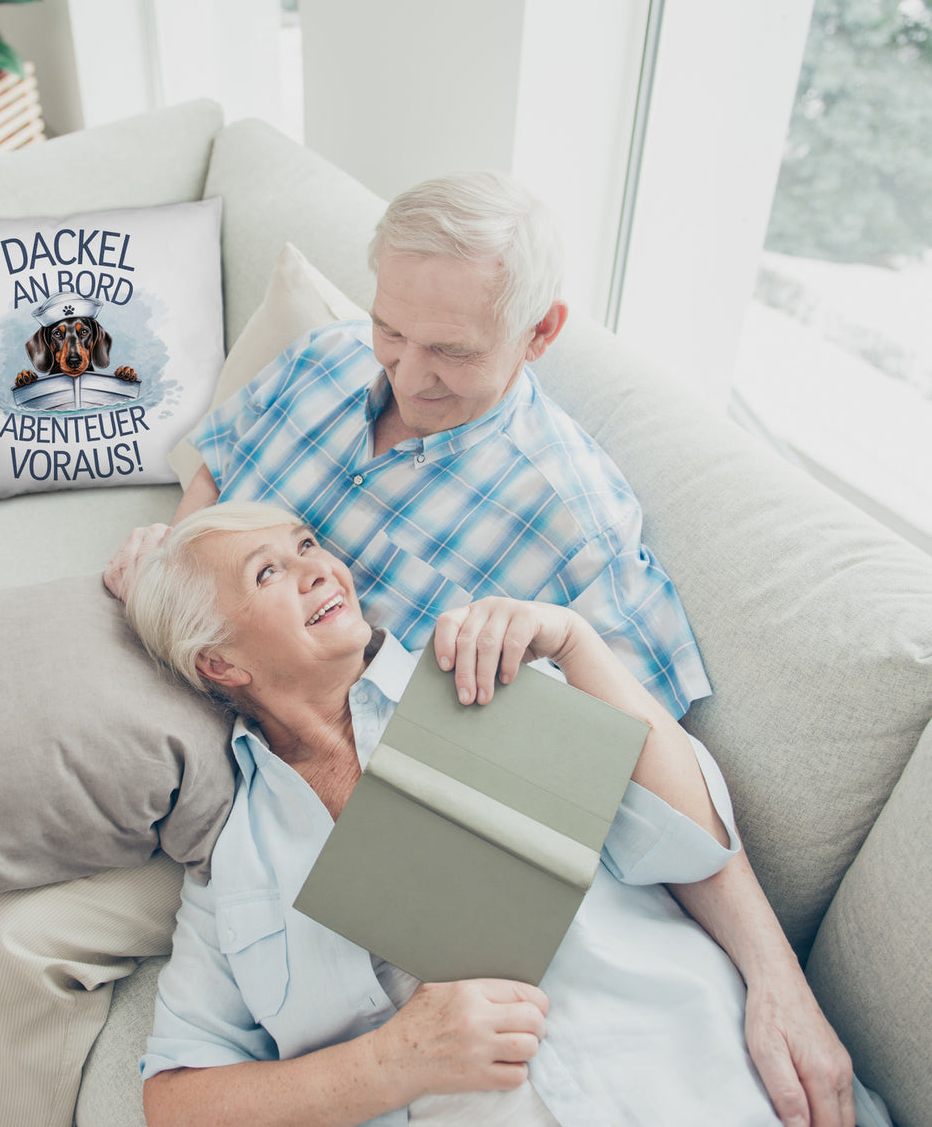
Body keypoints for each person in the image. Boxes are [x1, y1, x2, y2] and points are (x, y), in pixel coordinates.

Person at [107, 172, 854, 1126]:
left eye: (450, 351)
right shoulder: (326, 363)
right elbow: (218, 465)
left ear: (540, 333)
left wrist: (776, 982)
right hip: (209, 748)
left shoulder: (547, 576)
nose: (407, 376)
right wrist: (179, 571)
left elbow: (663, 799)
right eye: (392, 331)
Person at [125, 502, 879, 1127]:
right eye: (268, 572)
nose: (319, 568)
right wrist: (391, 1063)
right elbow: (176, 1100)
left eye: (307, 545)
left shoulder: (480, 675)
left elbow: (691, 842)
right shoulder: (234, 864)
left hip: (704, 1080)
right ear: (220, 663)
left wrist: (577, 644)